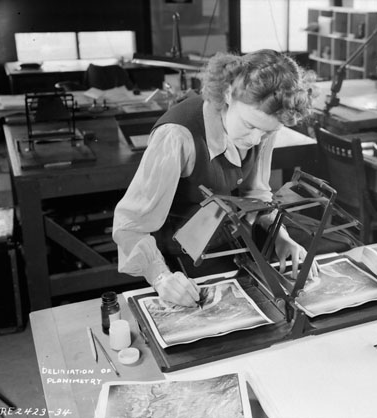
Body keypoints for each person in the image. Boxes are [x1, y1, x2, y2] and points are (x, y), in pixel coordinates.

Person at [113, 49, 319, 308]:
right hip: (180, 260)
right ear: (228, 94)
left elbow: (255, 194)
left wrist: (279, 234)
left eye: (267, 132)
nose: (256, 140)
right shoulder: (177, 136)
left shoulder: (265, 124)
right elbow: (129, 226)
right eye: (249, 126)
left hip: (231, 245)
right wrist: (161, 278)